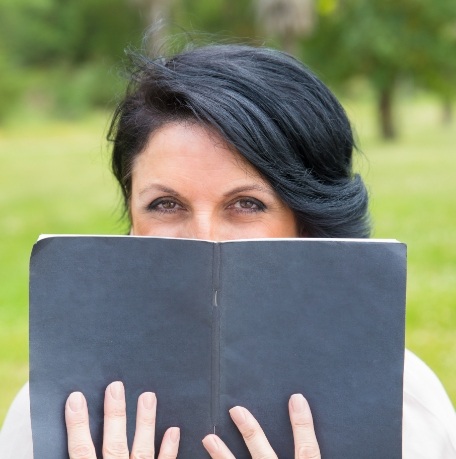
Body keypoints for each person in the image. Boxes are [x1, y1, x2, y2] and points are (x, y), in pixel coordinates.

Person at [1, 43, 455, 458]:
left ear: (307, 220)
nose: (204, 238)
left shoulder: (406, 409)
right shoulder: (53, 414)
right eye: (166, 204)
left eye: (246, 204)